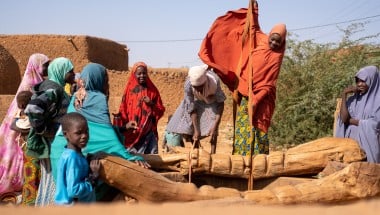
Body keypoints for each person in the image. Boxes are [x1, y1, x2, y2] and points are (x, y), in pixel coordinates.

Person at [51, 63, 150, 201]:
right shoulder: (98, 98)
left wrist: (122, 128)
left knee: (67, 195)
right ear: (97, 80)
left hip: (60, 151)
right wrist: (129, 157)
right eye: (105, 80)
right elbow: (108, 137)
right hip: (78, 155)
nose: (106, 84)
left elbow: (97, 130)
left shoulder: (76, 95)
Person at [198, 1, 287, 156]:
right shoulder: (260, 39)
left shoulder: (277, 56)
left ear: (282, 42)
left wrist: (256, 101)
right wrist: (254, 8)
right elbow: (253, 26)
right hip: (246, 92)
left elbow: (269, 84)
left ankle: (257, 163)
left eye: (277, 42)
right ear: (269, 35)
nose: (273, 43)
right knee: (243, 127)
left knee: (257, 129)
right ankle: (241, 159)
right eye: (272, 38)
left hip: (261, 99)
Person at [25, 57, 75, 206]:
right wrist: (45, 130)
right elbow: (32, 109)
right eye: (70, 71)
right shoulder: (53, 89)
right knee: (55, 178)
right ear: (61, 71)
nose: (73, 74)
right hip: (52, 143)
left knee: (51, 179)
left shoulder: (56, 87)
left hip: (55, 141)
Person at [0, 53, 49, 204]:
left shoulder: (39, 82)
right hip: (27, 135)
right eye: (45, 65)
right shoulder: (32, 85)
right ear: (37, 66)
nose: (47, 68)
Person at [165, 65, 226, 154]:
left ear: (205, 82)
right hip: (196, 101)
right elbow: (191, 108)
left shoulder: (214, 81)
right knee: (188, 127)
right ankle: (196, 151)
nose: (198, 89)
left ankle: (213, 154)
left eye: (200, 86)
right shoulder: (188, 85)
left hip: (211, 101)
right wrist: (196, 130)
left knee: (213, 129)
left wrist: (215, 126)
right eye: (196, 87)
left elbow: (221, 103)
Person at [117, 62, 165, 154]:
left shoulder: (153, 90)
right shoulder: (129, 90)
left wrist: (151, 104)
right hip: (132, 132)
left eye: (144, 73)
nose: (142, 75)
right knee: (132, 160)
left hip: (148, 133)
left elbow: (160, 110)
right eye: (139, 74)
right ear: (134, 74)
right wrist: (125, 126)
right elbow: (123, 109)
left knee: (152, 161)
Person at [335, 66, 380, 163]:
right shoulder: (353, 100)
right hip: (351, 145)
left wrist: (351, 121)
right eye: (357, 81)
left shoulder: (378, 100)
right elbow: (343, 118)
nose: (359, 84)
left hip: (369, 145)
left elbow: (375, 123)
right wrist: (344, 95)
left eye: (363, 81)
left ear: (373, 81)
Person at [54, 112, 101, 205]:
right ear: (65, 134)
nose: (84, 136)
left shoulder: (69, 154)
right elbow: (74, 191)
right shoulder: (73, 158)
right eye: (78, 133)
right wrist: (93, 177)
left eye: (86, 131)